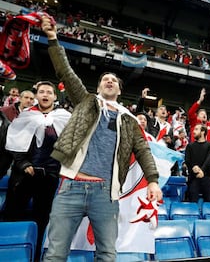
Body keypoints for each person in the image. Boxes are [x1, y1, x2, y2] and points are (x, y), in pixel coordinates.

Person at [40, 16, 162, 261]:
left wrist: (153, 181)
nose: (109, 80)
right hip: (72, 186)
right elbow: (65, 72)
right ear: (98, 88)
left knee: (107, 254)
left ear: (119, 90)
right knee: (55, 254)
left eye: (114, 80)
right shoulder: (86, 102)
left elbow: (144, 151)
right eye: (105, 79)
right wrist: (53, 39)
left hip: (106, 194)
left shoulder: (128, 119)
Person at [4, 81, 71, 260]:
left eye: (49, 92)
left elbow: (71, 146)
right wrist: (24, 164)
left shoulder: (64, 117)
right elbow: (13, 144)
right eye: (42, 92)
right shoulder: (25, 116)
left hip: (50, 177)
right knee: (12, 215)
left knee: (42, 219)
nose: (45, 95)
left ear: (55, 97)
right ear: (37, 95)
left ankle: (36, 256)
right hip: (23, 176)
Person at [185, 123, 210, 202]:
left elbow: (209, 159)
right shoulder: (190, 146)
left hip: (207, 178)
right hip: (193, 178)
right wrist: (193, 167)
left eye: (196, 129)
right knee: (192, 203)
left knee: (209, 203)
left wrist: (202, 170)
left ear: (203, 132)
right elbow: (187, 161)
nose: (193, 132)